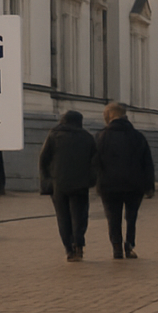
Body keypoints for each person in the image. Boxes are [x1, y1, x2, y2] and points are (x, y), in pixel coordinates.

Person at [93, 102, 155, 259]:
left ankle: (116, 248)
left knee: (113, 218)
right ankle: (129, 245)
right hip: (134, 185)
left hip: (108, 185)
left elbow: (94, 162)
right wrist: (149, 186)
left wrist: (95, 181)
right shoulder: (138, 136)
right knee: (131, 216)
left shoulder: (101, 137)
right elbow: (147, 163)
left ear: (109, 116)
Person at [37, 110, 97, 260]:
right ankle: (79, 245)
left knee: (63, 217)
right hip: (80, 184)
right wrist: (90, 180)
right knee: (79, 216)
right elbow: (95, 162)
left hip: (58, 184)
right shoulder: (87, 137)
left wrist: (47, 180)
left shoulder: (53, 135)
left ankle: (68, 249)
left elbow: (43, 159)